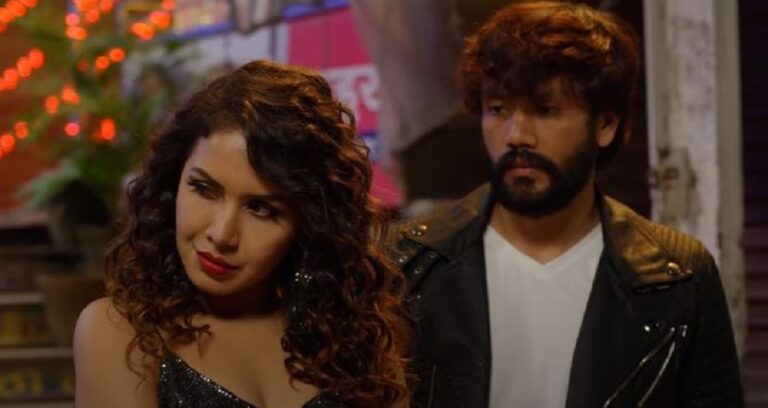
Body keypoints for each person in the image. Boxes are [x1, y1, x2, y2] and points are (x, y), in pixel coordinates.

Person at [388, 2, 744, 407]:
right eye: (498, 109)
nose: (517, 135)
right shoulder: (409, 263)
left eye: (545, 111)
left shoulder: (678, 275)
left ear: (605, 124)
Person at [74, 60, 410, 408]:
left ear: (310, 222)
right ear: (172, 183)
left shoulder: (359, 340)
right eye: (204, 189)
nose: (222, 235)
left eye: (261, 209)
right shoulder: (120, 333)